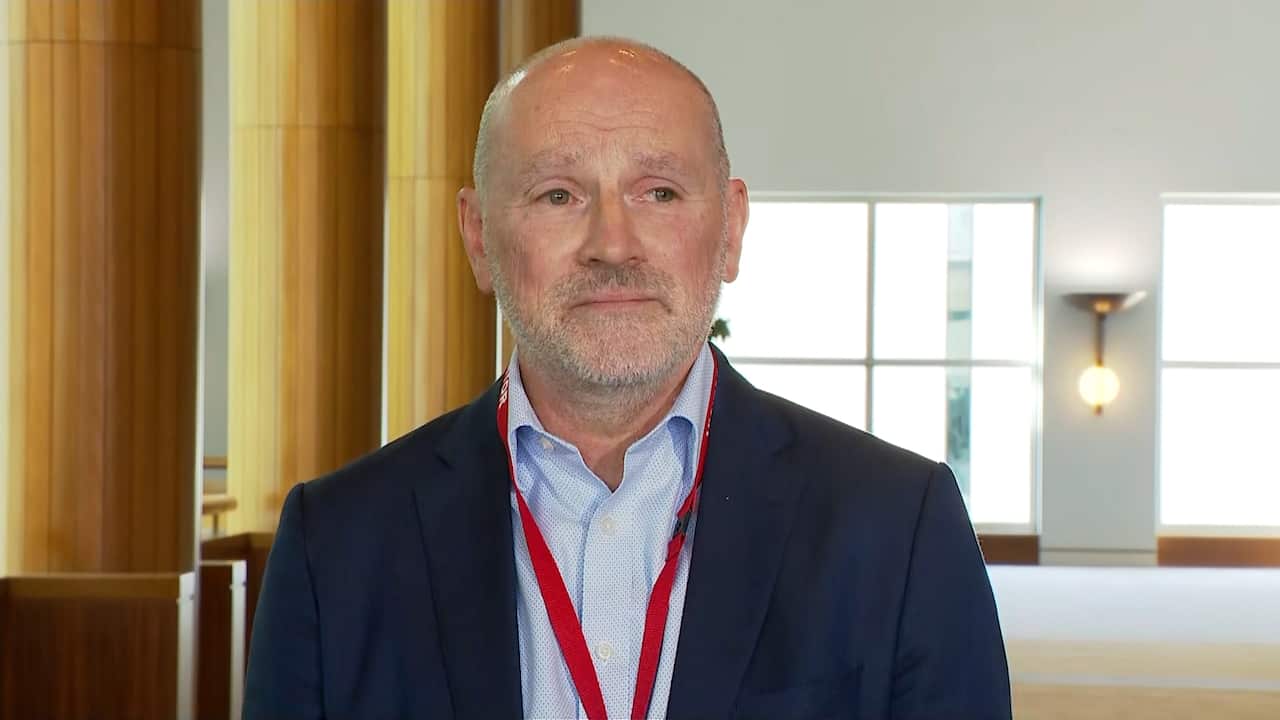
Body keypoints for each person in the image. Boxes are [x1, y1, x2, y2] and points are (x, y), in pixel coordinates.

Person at [243, 36, 1011, 720]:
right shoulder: (336, 542)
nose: (613, 244)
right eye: (558, 195)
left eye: (660, 193)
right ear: (479, 238)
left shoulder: (897, 525)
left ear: (732, 229)